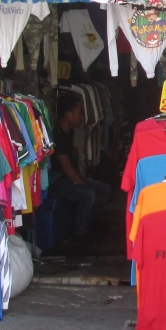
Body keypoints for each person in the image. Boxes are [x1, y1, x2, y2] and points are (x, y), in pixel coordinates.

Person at [48, 97, 112, 242]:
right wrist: (83, 183)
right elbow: (66, 168)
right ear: (68, 115)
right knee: (88, 193)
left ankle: (90, 224)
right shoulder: (58, 135)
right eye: (79, 113)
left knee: (104, 189)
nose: (82, 116)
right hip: (55, 181)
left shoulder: (69, 132)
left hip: (66, 177)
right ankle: (80, 234)